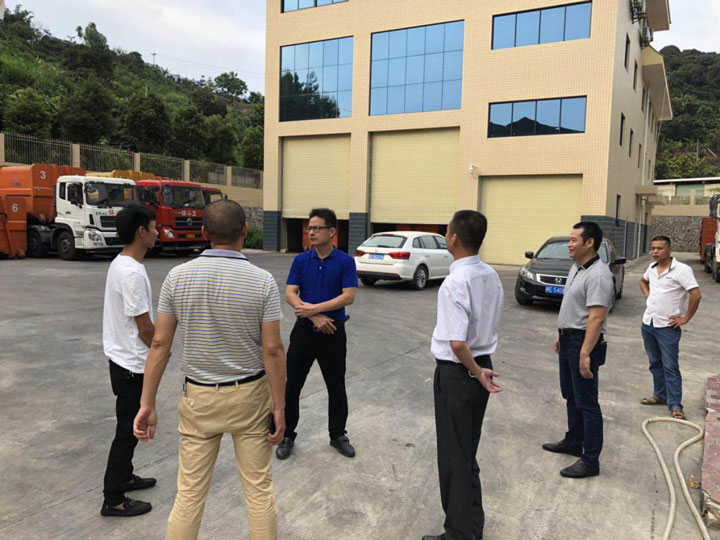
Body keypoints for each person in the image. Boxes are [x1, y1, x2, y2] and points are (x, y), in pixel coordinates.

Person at [133, 199, 286, 540]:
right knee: (259, 491)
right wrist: (280, 405)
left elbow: (159, 344)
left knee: (189, 495)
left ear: (204, 232)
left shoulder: (177, 277)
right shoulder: (262, 281)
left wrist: (147, 402)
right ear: (244, 231)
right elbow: (273, 350)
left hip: (199, 398)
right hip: (249, 397)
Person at [422, 210, 503, 540]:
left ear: (454, 238)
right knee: (465, 453)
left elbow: (456, 343)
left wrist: (476, 372)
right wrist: (479, 369)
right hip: (480, 362)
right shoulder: (490, 275)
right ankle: (471, 527)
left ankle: (458, 533)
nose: (445, 236)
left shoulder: (455, 283)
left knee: (454, 457)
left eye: (446, 231)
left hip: (461, 371)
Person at [276, 208, 358, 460]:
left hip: (333, 331)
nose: (311, 232)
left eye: (316, 228)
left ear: (331, 232)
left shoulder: (345, 261)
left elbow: (348, 296)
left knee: (336, 385)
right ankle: (287, 434)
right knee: (293, 384)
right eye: (308, 228)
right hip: (304, 331)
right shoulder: (301, 260)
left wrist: (316, 309)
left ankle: (338, 434)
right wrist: (314, 316)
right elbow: (290, 294)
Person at [542, 221, 613, 479]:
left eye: (574, 240)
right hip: (569, 339)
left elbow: (596, 317)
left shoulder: (598, 275)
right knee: (571, 395)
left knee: (587, 402)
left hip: (584, 342)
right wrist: (561, 334)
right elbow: (575, 307)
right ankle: (574, 441)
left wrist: (584, 353)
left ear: (590, 243)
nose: (569, 244)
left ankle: (590, 460)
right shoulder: (577, 268)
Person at [101, 204, 158, 517]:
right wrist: (161, 350)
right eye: (154, 227)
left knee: (129, 424)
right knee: (127, 430)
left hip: (121, 359)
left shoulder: (122, 263)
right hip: (132, 364)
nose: (157, 232)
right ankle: (113, 499)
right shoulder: (131, 272)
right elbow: (145, 326)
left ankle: (124, 476)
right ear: (141, 231)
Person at [639, 236, 701, 420]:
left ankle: (675, 405)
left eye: (659, 248)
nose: (655, 252)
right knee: (655, 363)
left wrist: (685, 318)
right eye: (653, 248)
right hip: (649, 323)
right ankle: (660, 395)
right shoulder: (651, 268)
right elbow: (642, 281)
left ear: (669, 249)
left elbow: (696, 295)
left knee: (670, 367)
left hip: (667, 327)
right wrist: (648, 296)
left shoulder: (682, 270)